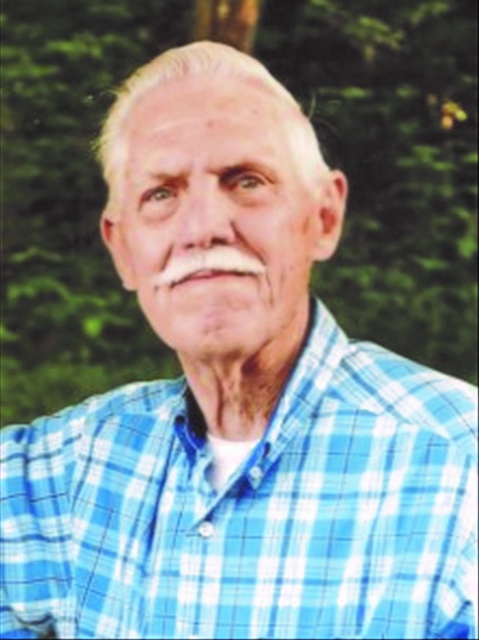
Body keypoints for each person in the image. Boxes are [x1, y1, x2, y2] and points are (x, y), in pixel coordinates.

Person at [0, 41, 477, 640]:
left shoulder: (458, 465)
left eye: (246, 181)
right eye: (161, 194)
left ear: (324, 218)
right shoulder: (66, 469)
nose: (203, 228)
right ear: (122, 250)